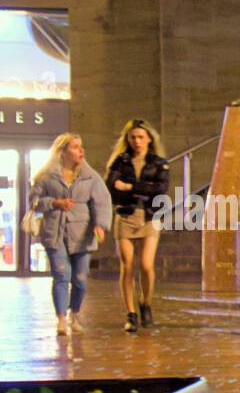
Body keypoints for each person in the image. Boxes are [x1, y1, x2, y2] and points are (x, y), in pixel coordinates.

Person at [29, 133, 111, 336]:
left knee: (81, 278)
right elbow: (33, 201)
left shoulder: (91, 177)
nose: (81, 151)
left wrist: (100, 225)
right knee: (61, 274)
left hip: (82, 232)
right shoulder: (45, 176)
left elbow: (102, 202)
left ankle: (75, 314)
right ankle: (61, 319)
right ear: (62, 151)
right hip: (54, 232)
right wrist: (54, 203)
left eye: (81, 146)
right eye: (75, 147)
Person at [105, 119, 170, 333]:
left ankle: (146, 302)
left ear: (149, 138)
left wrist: (131, 186)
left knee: (146, 265)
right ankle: (131, 313)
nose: (137, 141)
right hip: (125, 216)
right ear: (127, 139)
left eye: (141, 137)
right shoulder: (120, 162)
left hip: (150, 216)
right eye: (133, 137)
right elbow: (113, 190)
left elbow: (160, 190)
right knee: (128, 265)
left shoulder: (159, 163)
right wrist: (142, 189)